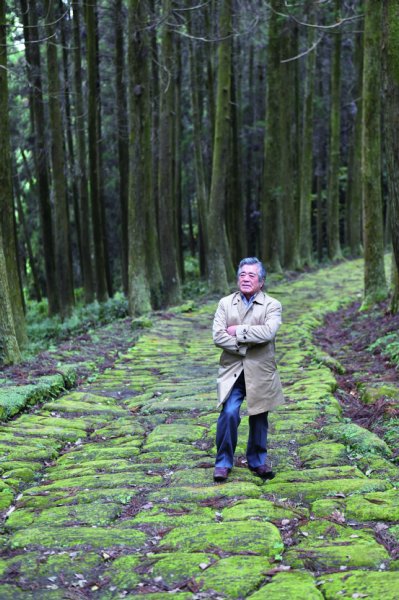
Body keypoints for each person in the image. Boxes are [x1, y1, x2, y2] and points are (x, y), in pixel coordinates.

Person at [212, 257, 284, 482]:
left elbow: (268, 333)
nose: (246, 279)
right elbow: (218, 336)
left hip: (261, 370)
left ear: (261, 281)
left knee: (259, 416)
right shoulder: (225, 303)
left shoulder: (272, 305)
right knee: (229, 413)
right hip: (233, 369)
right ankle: (223, 462)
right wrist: (245, 346)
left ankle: (257, 461)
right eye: (242, 275)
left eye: (251, 275)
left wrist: (237, 331)